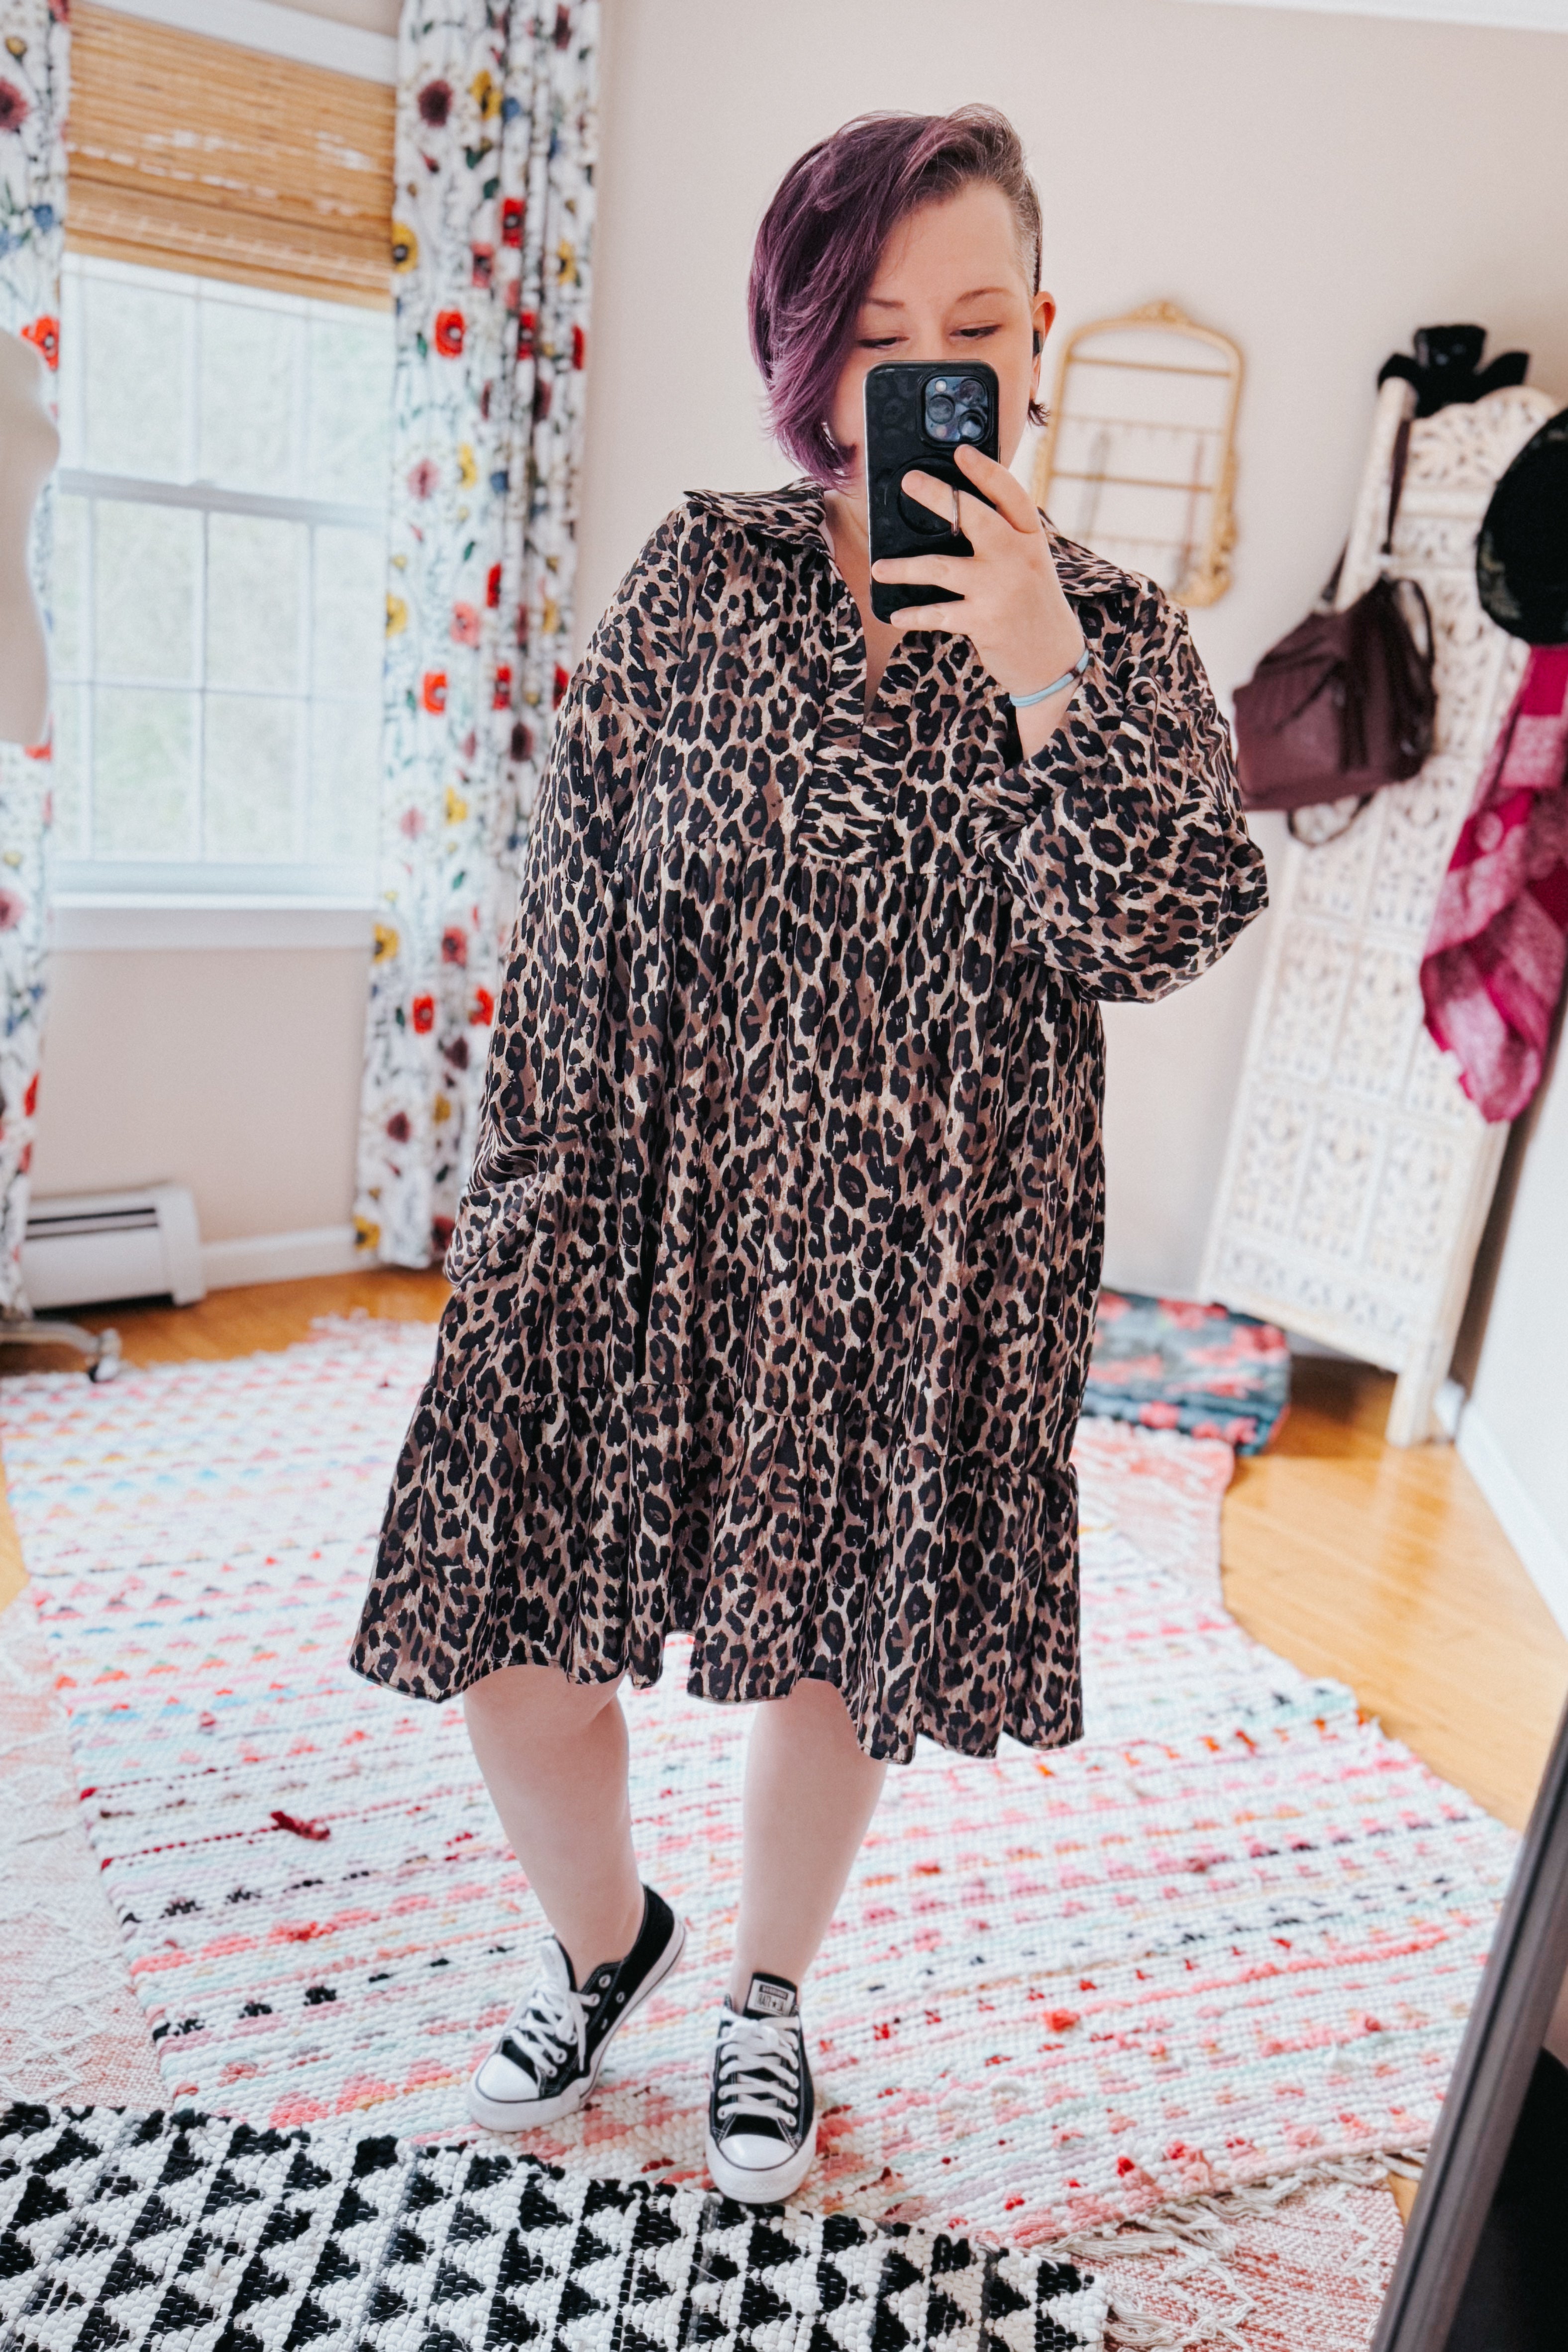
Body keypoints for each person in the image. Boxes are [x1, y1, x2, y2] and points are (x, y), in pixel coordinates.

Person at [351, 104, 1268, 2206]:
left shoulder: (1110, 638)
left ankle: (764, 1993)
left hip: (930, 1241)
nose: (918, 372)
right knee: (510, 1642)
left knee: (840, 1647)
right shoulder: (698, 576)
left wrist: (1039, 673)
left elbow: (1156, 929)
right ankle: (608, 1945)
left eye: (966, 326)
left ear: (1031, 340)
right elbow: (568, 905)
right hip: (642, 1207)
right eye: (871, 331)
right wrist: (521, 1218)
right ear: (805, 353)